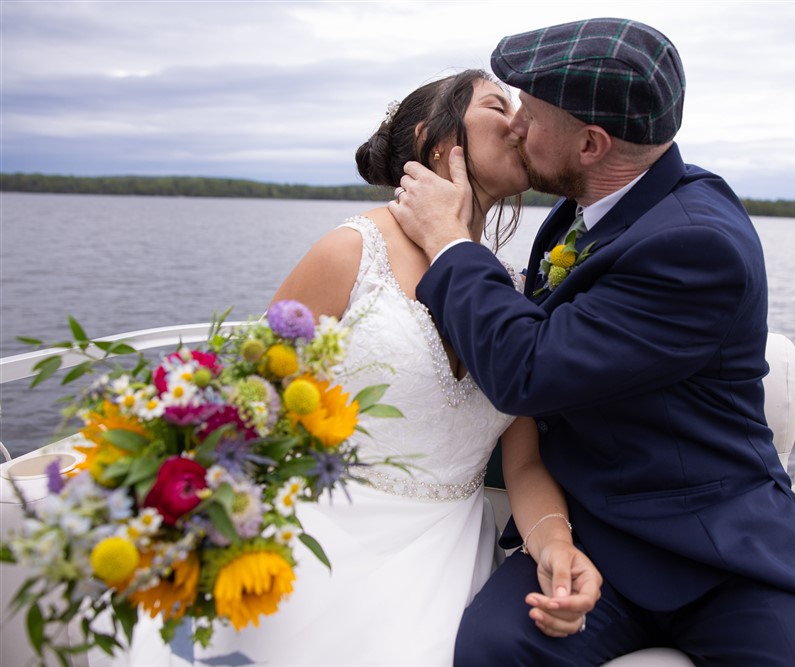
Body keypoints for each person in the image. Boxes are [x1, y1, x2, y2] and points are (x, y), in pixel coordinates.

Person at [388, 18, 795, 667]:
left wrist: (450, 242)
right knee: (492, 647)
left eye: (529, 114)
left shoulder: (698, 242)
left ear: (590, 143)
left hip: (719, 550)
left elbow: (527, 369)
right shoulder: (583, 211)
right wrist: (555, 537)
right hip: (598, 538)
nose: (516, 127)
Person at [111, 69, 600, 667]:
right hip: (315, 542)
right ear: (435, 139)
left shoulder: (509, 294)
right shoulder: (351, 252)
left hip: (442, 560)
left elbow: (522, 460)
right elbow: (246, 406)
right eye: (498, 106)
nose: (520, 122)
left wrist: (553, 543)